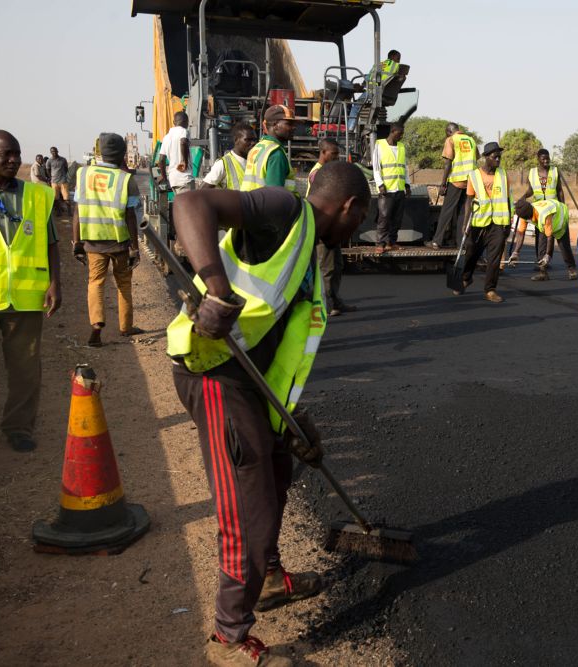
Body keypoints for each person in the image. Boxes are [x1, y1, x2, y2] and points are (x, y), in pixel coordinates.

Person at [166, 161, 370, 666]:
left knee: (277, 472)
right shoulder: (284, 210)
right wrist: (214, 288)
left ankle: (272, 579)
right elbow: (191, 202)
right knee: (247, 502)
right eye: (360, 218)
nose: (359, 228)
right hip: (214, 371)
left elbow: (283, 347)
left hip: (251, 382)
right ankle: (229, 636)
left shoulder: (310, 258)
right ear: (350, 207)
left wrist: (298, 420)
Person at [0, 130, 62, 452]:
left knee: (25, 369)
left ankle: (19, 428)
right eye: (6, 155)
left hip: (26, 298)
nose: (14, 160)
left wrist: (55, 283)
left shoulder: (38, 196)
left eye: (17, 153)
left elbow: (51, 242)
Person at [72, 133, 144, 347]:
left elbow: (76, 212)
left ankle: (96, 323)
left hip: (93, 242)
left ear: (99, 151)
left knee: (95, 282)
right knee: (123, 284)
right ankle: (126, 327)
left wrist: (77, 242)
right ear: (123, 154)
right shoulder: (125, 179)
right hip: (120, 242)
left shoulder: (83, 174)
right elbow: (131, 216)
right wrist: (135, 247)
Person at [454, 142, 513, 303]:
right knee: (472, 253)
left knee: (494, 259)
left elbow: (509, 199)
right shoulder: (474, 175)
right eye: (495, 157)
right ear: (486, 158)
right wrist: (465, 224)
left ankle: (490, 290)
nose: (498, 159)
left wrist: (509, 222)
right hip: (479, 222)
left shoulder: (503, 174)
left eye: (500, 156)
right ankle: (466, 278)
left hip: (499, 223)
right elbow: (469, 201)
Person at [309, 139, 355, 316]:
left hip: (332, 226)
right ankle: (325, 305)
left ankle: (335, 301)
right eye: (333, 153)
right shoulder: (317, 174)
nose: (336, 157)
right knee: (326, 268)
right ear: (323, 152)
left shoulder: (327, 172)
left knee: (337, 264)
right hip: (323, 227)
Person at [426, 123, 477, 249]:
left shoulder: (451, 140)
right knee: (462, 213)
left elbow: (448, 163)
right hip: (470, 181)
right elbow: (475, 158)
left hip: (456, 180)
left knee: (446, 211)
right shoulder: (471, 140)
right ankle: (461, 243)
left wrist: (443, 183)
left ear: (449, 132)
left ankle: (436, 241)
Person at [513, 199, 577, 281]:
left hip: (560, 216)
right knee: (541, 246)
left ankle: (571, 268)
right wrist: (516, 252)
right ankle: (543, 273)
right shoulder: (524, 213)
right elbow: (521, 233)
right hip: (545, 222)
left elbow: (549, 237)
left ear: (529, 216)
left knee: (563, 246)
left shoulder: (544, 215)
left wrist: (548, 255)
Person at [372, 122, 411, 252]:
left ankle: (392, 242)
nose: (401, 137)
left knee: (397, 219)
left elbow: (404, 167)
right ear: (393, 132)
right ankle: (380, 244)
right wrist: (380, 184)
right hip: (387, 189)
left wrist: (407, 185)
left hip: (399, 189)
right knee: (384, 217)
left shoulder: (401, 146)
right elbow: (376, 167)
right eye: (400, 134)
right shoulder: (380, 145)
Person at [242, 105, 297, 194]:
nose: (294, 127)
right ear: (275, 125)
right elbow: (274, 196)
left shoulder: (258, 147)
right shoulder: (276, 154)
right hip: (265, 206)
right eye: (289, 124)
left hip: (250, 204)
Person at [201, 123, 257, 191]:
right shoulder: (223, 164)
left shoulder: (256, 160)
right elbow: (202, 189)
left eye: (254, 140)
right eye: (248, 140)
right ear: (236, 140)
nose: (253, 143)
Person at [156, 111, 194, 194]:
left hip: (173, 180)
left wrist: (164, 177)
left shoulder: (166, 137)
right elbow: (183, 142)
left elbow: (161, 160)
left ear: (174, 122)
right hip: (184, 179)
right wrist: (184, 161)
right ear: (187, 122)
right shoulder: (184, 131)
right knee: (189, 206)